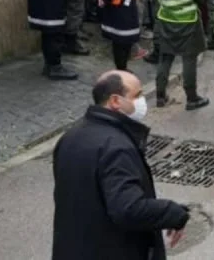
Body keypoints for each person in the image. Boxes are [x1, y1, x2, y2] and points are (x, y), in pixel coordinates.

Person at [52, 71, 190, 260]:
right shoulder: (116, 148)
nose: (142, 101)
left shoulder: (71, 137)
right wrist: (173, 213)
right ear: (115, 101)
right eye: (137, 95)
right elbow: (128, 208)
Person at [151, 0, 210, 110]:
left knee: (165, 57)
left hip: (166, 20)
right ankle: (192, 98)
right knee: (189, 58)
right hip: (187, 21)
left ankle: (160, 96)